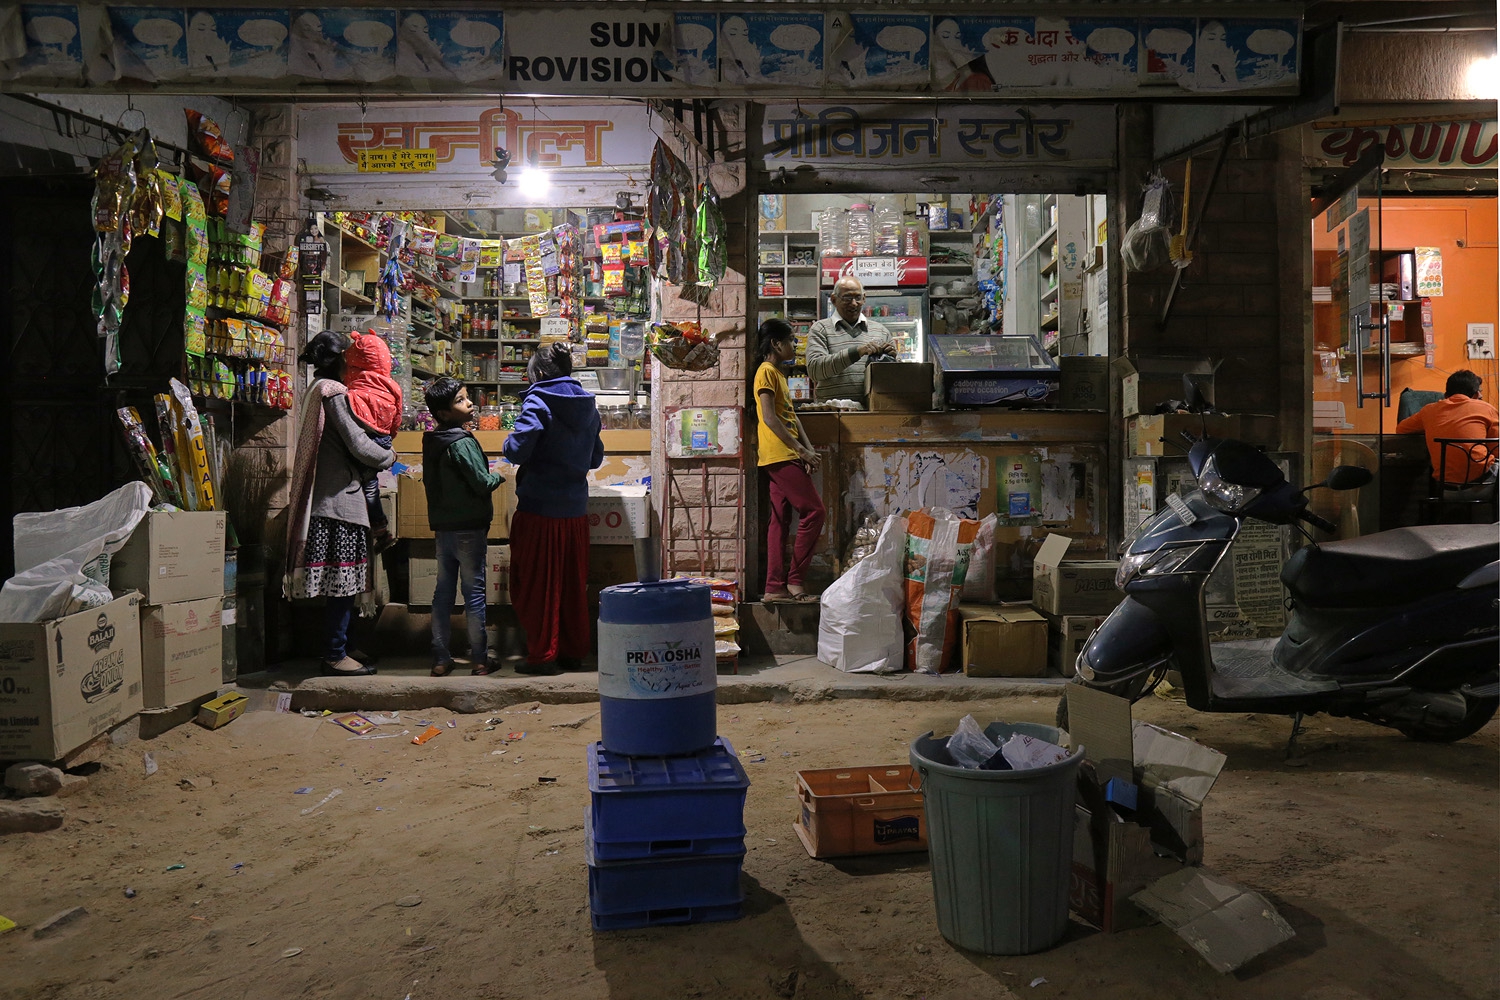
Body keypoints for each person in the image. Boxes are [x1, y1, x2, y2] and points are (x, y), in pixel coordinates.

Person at [284, 330, 395, 676]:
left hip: (336, 501)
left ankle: (345, 646)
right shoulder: (333, 394)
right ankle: (334, 653)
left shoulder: (321, 390)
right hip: (337, 505)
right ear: (342, 360)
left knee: (344, 581)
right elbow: (360, 446)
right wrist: (389, 456)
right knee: (343, 584)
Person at [502, 343, 604, 676]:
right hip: (574, 511)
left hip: (539, 510)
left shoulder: (537, 400)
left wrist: (509, 441)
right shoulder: (589, 406)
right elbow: (595, 459)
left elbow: (517, 450)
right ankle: (573, 652)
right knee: (572, 585)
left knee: (535, 585)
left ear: (541, 374)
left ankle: (543, 655)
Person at [422, 377, 505, 677]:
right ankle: (481, 659)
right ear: (444, 413)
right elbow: (482, 482)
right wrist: (501, 474)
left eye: (467, 397)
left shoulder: (432, 441)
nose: (470, 403)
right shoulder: (461, 442)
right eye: (460, 400)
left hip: (443, 529)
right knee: (474, 594)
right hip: (469, 529)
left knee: (442, 594)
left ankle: (441, 659)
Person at [755, 318, 826, 603]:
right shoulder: (765, 373)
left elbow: (792, 417)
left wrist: (808, 450)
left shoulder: (779, 375)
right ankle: (795, 581)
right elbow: (770, 418)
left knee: (779, 521)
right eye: (791, 341)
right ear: (776, 343)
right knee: (814, 512)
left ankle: (774, 587)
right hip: (779, 454)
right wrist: (800, 451)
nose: (795, 345)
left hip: (784, 454)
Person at [342, 329, 403, 552]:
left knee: (363, 486)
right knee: (371, 485)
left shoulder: (353, 384)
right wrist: (390, 437)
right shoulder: (392, 385)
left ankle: (379, 529)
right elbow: (397, 416)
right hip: (384, 439)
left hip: (364, 439)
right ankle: (376, 530)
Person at [1395, 369, 1499, 486]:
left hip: (1445, 488)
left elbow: (1401, 429)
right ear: (1476, 395)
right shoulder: (1486, 409)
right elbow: (1497, 450)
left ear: (1446, 395)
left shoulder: (1428, 410)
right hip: (1483, 485)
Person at [805, 275, 896, 404]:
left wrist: (893, 361)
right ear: (834, 299)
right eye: (847, 298)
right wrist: (856, 352)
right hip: (834, 414)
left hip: (873, 412)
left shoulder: (881, 331)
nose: (853, 303)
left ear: (864, 298)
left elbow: (894, 379)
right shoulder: (820, 329)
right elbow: (815, 370)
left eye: (858, 298)